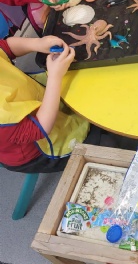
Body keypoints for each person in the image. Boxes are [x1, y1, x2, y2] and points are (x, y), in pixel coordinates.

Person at [0, 36, 113, 173]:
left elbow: (5, 47)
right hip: (38, 148)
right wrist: (55, 77)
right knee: (107, 145)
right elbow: (40, 128)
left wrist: (37, 43)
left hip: (33, 96)